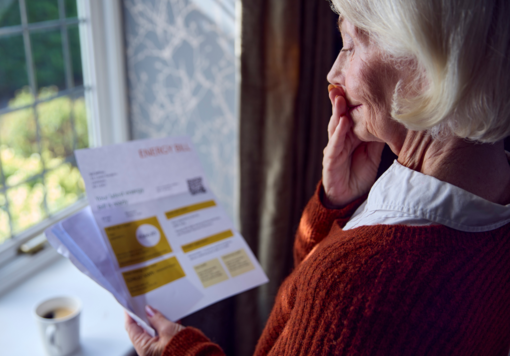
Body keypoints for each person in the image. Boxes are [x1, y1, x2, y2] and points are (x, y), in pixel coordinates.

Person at [125, 0, 510, 354]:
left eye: (350, 44)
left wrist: (181, 350)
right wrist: (335, 203)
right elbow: (308, 293)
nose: (333, 73)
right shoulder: (488, 189)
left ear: (423, 60)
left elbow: (331, 291)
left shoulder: (355, 289)